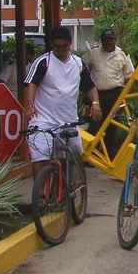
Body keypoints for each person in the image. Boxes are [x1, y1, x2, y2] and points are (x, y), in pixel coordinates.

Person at [23, 26, 100, 173]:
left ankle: (71, 188)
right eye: (57, 46)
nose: (61, 49)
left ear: (70, 44)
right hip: (44, 120)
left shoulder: (78, 64)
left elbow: (90, 87)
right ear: (52, 45)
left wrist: (95, 104)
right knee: (39, 156)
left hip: (69, 120)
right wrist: (30, 106)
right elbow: (31, 84)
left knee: (73, 155)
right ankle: (40, 193)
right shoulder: (43, 62)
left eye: (64, 46)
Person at [84, 28, 134, 153]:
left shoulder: (122, 54)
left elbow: (129, 75)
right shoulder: (93, 53)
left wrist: (124, 93)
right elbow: (83, 70)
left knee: (112, 125)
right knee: (95, 124)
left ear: (115, 40)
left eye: (111, 40)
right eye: (106, 40)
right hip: (97, 95)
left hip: (115, 94)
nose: (108, 42)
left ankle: (109, 153)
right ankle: (90, 153)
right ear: (102, 40)